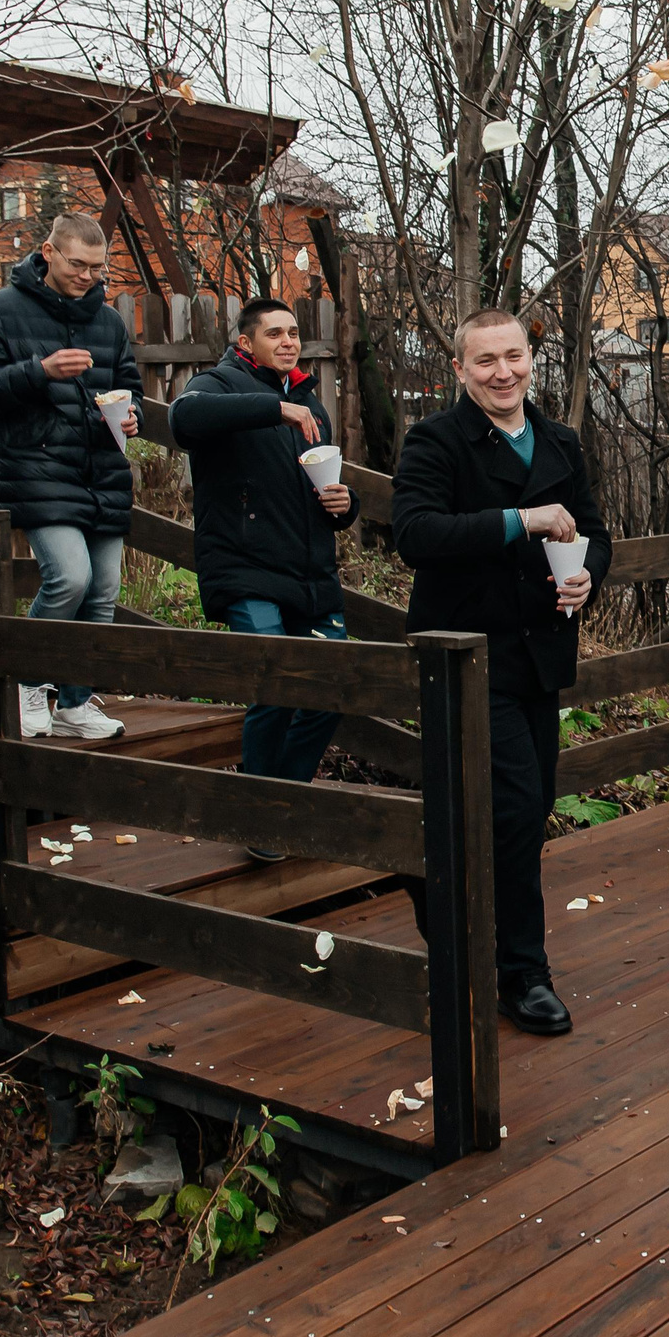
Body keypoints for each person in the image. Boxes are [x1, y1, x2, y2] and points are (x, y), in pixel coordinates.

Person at [390, 308, 610, 1038]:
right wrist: (521, 519)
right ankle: (523, 972)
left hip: (539, 655)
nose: (502, 372)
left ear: (529, 358)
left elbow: (594, 532)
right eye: (485, 361)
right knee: (515, 804)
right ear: (459, 369)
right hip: (464, 655)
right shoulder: (435, 440)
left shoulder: (560, 441)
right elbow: (415, 535)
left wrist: (587, 579)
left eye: (513, 356)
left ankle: (434, 878)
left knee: (524, 804)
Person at [171, 298, 359, 860]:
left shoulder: (312, 405)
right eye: (274, 333)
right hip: (245, 567)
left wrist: (343, 505)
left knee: (333, 686)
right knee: (273, 682)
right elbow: (184, 420)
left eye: (294, 332)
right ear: (246, 341)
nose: (288, 341)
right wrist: (273, 408)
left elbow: (327, 495)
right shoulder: (217, 386)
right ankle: (258, 815)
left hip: (310, 572)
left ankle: (285, 801)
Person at [0, 212, 142, 741]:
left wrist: (134, 416)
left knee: (103, 591)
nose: (88, 276)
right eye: (78, 264)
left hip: (102, 469)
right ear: (49, 252)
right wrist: (39, 371)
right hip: (35, 468)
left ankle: (76, 704)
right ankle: (27, 684)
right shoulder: (0, 310)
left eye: (97, 268)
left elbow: (130, 384)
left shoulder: (107, 320)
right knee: (70, 577)